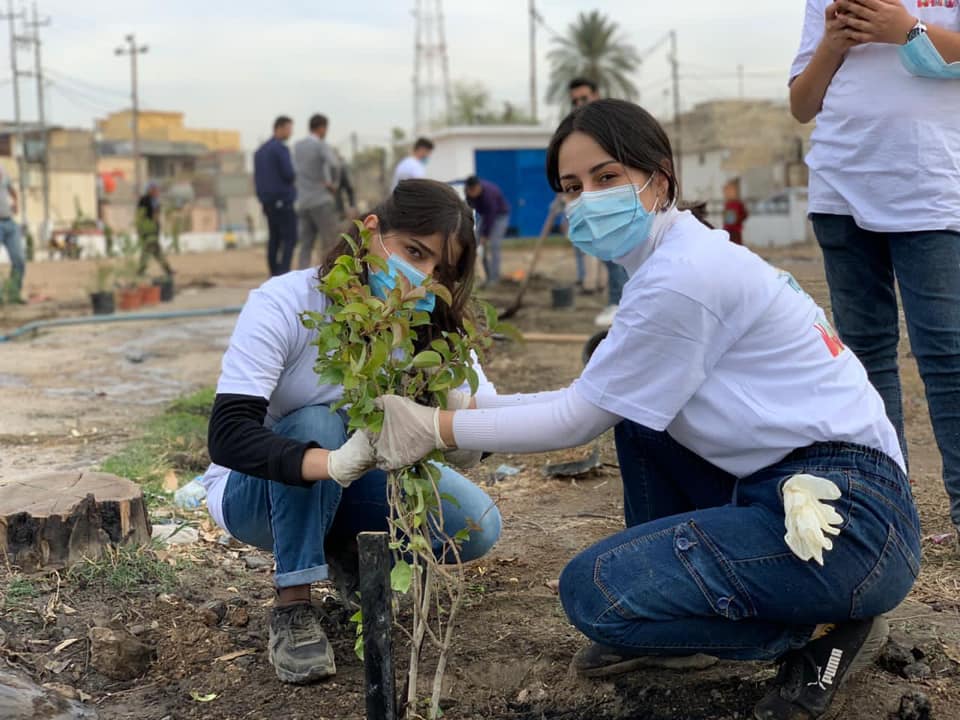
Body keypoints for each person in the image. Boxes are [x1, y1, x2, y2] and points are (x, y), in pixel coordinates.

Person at [371, 99, 920, 720]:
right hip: (806, 493)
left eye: (607, 178)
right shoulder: (675, 264)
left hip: (848, 521)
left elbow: (576, 418)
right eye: (572, 187)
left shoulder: (683, 278)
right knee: (638, 416)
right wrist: (467, 409)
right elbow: (598, 399)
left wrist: (436, 428)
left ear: (658, 178)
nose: (588, 199)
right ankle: (686, 621)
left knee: (594, 594)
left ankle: (822, 631)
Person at [199, 178, 502, 685]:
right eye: (413, 251)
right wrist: (333, 463)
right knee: (319, 421)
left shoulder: (429, 327)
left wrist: (460, 423)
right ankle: (293, 603)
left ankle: (344, 555)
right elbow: (228, 435)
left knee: (478, 523)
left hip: (346, 490)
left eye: (439, 268)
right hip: (254, 497)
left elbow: (487, 416)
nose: (420, 277)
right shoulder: (288, 302)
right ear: (371, 232)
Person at [790, 0, 960, 540]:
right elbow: (801, 105)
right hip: (840, 188)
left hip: (932, 190)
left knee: (949, 356)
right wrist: (832, 45)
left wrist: (906, 29)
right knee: (864, 362)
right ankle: (889, 518)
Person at [568, 77, 628, 326]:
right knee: (608, 253)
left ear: (596, 94)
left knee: (619, 253)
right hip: (593, 200)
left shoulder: (612, 124)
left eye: (584, 98)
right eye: (575, 101)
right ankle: (620, 302)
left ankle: (620, 303)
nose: (580, 104)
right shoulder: (578, 130)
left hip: (617, 198)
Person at [293, 114, 340, 270]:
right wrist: (333, 184)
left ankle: (301, 277)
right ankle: (326, 275)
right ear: (321, 128)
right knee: (330, 242)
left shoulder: (298, 146)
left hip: (303, 201)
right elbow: (334, 164)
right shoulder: (320, 145)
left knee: (306, 244)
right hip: (321, 200)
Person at [254, 116, 297, 276]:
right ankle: (283, 273)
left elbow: (257, 178)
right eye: (289, 128)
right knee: (290, 238)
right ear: (280, 128)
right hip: (283, 201)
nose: (290, 132)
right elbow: (289, 173)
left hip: (268, 203)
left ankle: (273, 272)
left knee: (274, 239)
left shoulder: (260, 152)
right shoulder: (280, 149)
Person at [464, 175, 510, 286]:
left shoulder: (489, 194)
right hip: (485, 216)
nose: (472, 193)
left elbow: (491, 216)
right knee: (474, 242)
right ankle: (482, 276)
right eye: (470, 191)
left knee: (494, 245)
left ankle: (494, 278)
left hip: (499, 216)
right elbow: (469, 210)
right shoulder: (468, 192)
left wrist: (485, 235)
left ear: (478, 187)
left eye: (474, 191)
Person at [135, 182, 174, 277]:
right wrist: (141, 229)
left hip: (154, 230)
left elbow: (156, 215)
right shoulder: (144, 201)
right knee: (151, 250)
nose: (157, 192)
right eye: (155, 190)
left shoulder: (155, 201)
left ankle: (167, 270)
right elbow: (140, 215)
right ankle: (166, 270)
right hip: (147, 230)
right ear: (150, 190)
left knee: (154, 251)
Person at [0, 167, 25, 303]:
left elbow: (12, 190)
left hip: (9, 222)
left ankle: (13, 294)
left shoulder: (3, 171)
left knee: (19, 259)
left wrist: (15, 203)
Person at [722, 179, 749, 246]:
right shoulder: (728, 204)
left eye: (730, 190)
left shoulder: (737, 204)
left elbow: (744, 214)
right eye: (726, 191)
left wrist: (738, 219)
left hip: (735, 230)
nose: (727, 193)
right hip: (728, 230)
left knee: (736, 246)